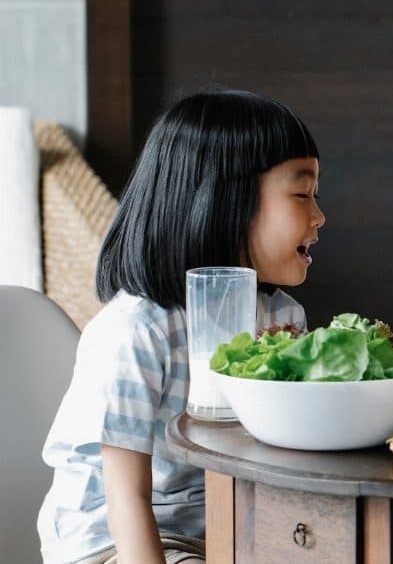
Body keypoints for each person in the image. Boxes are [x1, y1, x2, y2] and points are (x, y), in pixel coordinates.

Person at [38, 90, 326, 564]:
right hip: (116, 541)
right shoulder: (136, 331)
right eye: (302, 194)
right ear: (225, 199)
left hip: (225, 528)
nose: (319, 216)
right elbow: (124, 499)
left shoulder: (282, 319)